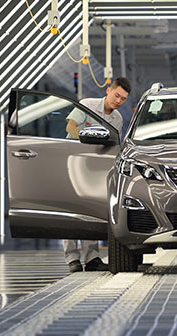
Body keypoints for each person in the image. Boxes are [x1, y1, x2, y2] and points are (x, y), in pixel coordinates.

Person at [64, 77, 131, 273]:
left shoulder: (118, 118)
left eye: (123, 99)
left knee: (89, 210)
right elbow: (71, 127)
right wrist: (89, 142)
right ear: (109, 90)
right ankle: (72, 259)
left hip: (94, 167)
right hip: (72, 161)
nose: (118, 101)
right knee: (70, 211)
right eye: (116, 95)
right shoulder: (87, 105)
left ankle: (91, 257)